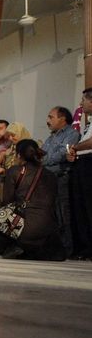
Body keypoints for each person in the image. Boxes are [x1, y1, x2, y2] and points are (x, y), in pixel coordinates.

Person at [0, 139, 65, 261]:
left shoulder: (15, 171)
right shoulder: (50, 175)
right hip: (46, 226)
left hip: (24, 227)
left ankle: (14, 247)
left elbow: (7, 201)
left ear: (19, 155)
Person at [41, 106, 79, 255]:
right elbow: (41, 155)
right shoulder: (51, 138)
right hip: (49, 179)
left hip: (62, 178)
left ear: (62, 119)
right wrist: (44, 159)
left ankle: (67, 248)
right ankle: (55, 246)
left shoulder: (72, 134)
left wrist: (45, 160)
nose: (47, 121)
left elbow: (62, 154)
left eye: (51, 117)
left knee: (64, 213)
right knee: (52, 214)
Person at [68, 88, 92, 258]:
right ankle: (85, 247)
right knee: (81, 207)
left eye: (84, 100)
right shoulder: (89, 123)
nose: (80, 104)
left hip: (89, 163)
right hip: (82, 163)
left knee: (89, 206)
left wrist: (75, 147)